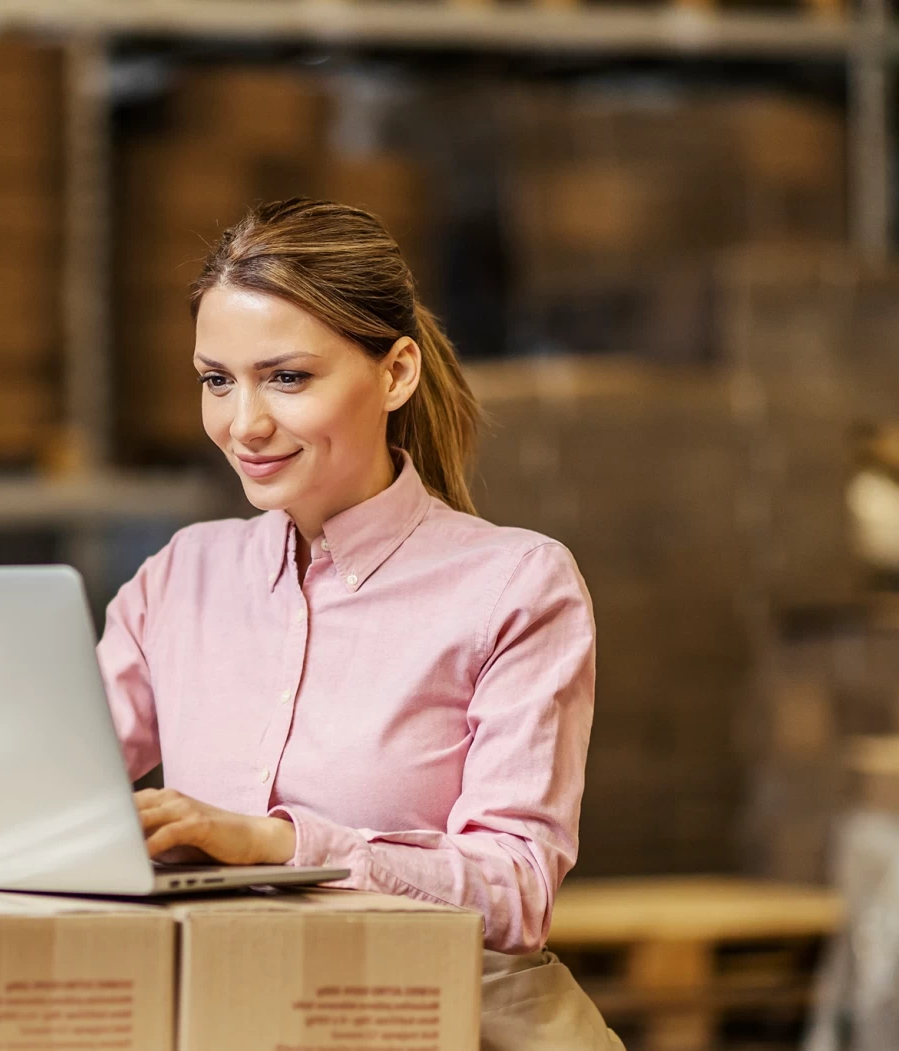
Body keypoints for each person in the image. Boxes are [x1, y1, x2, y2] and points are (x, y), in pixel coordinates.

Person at [99, 198, 622, 1049]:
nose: (244, 424)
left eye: (288, 377)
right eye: (217, 380)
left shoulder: (515, 586)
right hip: (220, 1017)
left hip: (414, 1023)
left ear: (397, 372)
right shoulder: (180, 576)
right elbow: (54, 787)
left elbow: (516, 889)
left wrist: (277, 844)